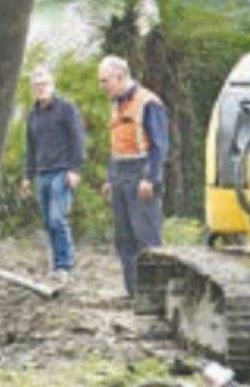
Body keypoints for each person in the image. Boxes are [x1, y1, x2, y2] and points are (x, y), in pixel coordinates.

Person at [98, 55, 170, 297]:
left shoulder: (148, 102)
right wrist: (110, 178)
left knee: (145, 236)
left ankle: (155, 294)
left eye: (105, 81)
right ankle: (133, 291)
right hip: (120, 172)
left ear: (120, 76)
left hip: (141, 173)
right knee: (124, 237)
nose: (103, 86)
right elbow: (117, 144)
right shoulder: (117, 104)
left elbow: (159, 146)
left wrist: (150, 178)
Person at [20, 66, 86, 284]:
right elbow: (31, 148)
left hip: (62, 171)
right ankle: (56, 264)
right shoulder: (32, 115)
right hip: (42, 173)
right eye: (37, 86)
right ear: (32, 89)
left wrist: (75, 169)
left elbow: (78, 140)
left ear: (52, 85)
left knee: (58, 218)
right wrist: (27, 177)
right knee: (48, 222)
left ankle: (65, 266)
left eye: (44, 84)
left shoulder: (67, 109)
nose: (41, 89)